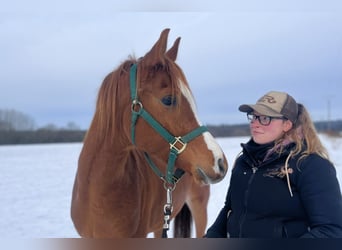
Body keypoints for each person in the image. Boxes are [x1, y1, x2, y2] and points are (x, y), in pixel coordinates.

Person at [205, 91, 342, 238]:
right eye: (254, 116)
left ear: (287, 124)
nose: (254, 123)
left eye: (265, 118)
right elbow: (230, 210)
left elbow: (331, 230)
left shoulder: (311, 165)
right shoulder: (244, 162)